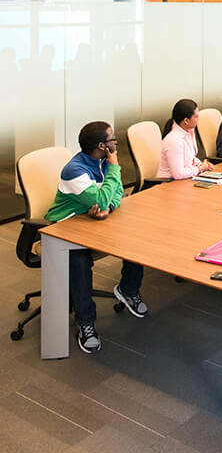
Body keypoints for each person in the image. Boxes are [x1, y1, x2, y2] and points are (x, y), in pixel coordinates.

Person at [45, 121, 147, 354]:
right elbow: (101, 197)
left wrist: (107, 207)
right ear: (102, 146)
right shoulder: (74, 170)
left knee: (135, 236)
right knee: (79, 261)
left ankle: (128, 289)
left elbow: (117, 191)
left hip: (92, 222)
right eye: (113, 140)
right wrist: (113, 170)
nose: (116, 143)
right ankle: (86, 322)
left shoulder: (102, 162)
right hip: (63, 227)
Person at [157, 99, 213, 179]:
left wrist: (201, 164)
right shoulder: (174, 140)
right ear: (186, 120)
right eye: (196, 117)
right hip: (169, 182)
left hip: (184, 180)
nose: (198, 119)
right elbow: (178, 174)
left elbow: (189, 158)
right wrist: (200, 168)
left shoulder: (189, 132)